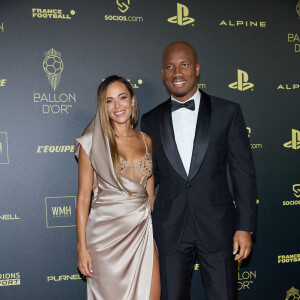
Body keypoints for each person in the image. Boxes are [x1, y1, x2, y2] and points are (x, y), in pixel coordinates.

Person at [141, 41, 257, 300]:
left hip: (218, 227)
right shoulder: (150, 119)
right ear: (162, 73)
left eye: (184, 65)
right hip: (170, 229)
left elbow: (243, 173)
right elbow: (150, 175)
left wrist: (245, 226)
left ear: (196, 69)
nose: (177, 73)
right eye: (170, 66)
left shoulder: (227, 111)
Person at [75, 75, 160, 300]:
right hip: (105, 239)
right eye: (109, 101)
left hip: (141, 233)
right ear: (103, 107)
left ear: (132, 100)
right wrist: (82, 248)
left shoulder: (146, 140)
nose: (117, 106)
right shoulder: (92, 143)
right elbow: (84, 198)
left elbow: (149, 195)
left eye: (122, 98)